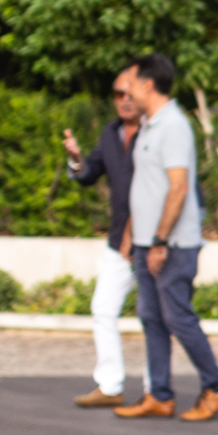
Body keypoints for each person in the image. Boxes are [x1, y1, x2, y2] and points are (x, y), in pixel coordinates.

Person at [114, 54, 218, 422]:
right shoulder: (151, 124)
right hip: (148, 242)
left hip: (172, 244)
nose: (127, 91)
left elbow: (178, 187)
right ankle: (160, 395)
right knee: (151, 317)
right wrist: (135, 236)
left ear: (148, 85)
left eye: (131, 83)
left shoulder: (174, 126)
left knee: (178, 317)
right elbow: (147, 187)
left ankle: (216, 388)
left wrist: (160, 241)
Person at [60, 73, 149, 408]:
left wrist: (134, 236)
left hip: (152, 240)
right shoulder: (111, 134)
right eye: (117, 94)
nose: (124, 100)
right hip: (118, 241)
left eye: (129, 94)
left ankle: (157, 389)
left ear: (143, 94)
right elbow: (87, 174)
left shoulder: (155, 133)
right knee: (103, 309)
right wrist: (76, 158)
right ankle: (110, 386)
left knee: (153, 317)